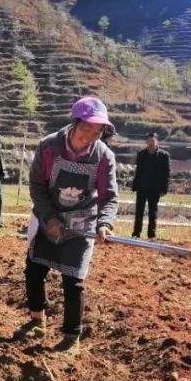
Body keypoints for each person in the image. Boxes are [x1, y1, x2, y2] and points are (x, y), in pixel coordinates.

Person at [21, 97, 119, 354]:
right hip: (49, 213)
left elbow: (109, 196)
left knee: (73, 280)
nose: (91, 135)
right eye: (87, 128)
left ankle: (71, 336)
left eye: (98, 131)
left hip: (82, 220)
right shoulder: (49, 147)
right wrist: (49, 217)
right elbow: (37, 187)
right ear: (74, 123)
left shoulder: (104, 156)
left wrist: (104, 223)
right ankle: (36, 320)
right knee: (35, 268)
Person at [132, 131, 171, 239]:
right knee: (139, 211)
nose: (151, 143)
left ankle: (151, 234)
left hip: (155, 188)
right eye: (149, 140)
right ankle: (136, 233)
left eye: (153, 140)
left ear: (157, 141)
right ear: (146, 141)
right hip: (142, 187)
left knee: (153, 212)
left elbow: (166, 173)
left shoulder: (164, 156)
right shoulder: (141, 154)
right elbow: (138, 171)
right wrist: (135, 185)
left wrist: (165, 188)